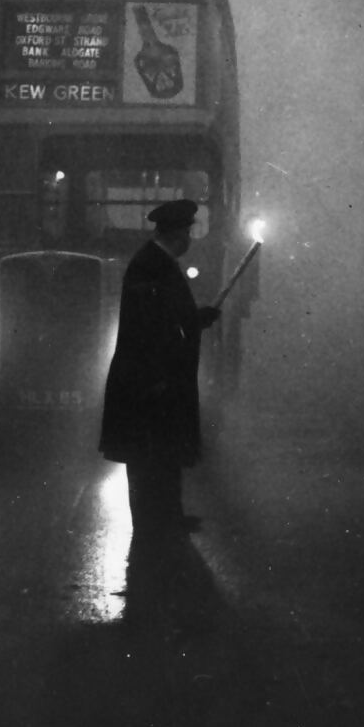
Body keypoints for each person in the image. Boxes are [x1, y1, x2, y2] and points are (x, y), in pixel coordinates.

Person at [99, 199, 220, 535]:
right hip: (151, 378)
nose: (189, 239)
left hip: (154, 376)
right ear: (178, 234)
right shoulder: (153, 265)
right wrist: (159, 375)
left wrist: (195, 319)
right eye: (187, 232)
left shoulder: (154, 262)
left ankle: (165, 517)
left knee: (160, 451)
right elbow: (151, 324)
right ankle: (155, 523)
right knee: (151, 454)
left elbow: (165, 316)